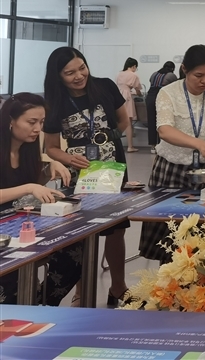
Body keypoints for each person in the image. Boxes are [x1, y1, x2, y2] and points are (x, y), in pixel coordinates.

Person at [43, 47, 131, 307]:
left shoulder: (104, 86)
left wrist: (106, 143)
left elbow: (123, 121)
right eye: (69, 73)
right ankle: (82, 292)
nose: (79, 76)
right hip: (79, 171)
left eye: (82, 68)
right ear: (58, 76)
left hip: (112, 166)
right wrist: (70, 159)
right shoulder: (55, 101)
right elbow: (51, 147)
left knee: (116, 229)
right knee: (82, 232)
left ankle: (118, 287)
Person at [139, 45, 205, 262]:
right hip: (171, 169)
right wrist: (199, 143)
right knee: (169, 238)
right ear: (184, 69)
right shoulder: (168, 93)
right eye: (198, 75)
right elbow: (164, 130)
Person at [0, 93, 82, 306]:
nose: (38, 129)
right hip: (6, 232)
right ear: (10, 121)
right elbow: (24, 187)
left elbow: (29, 182)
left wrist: (48, 168)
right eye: (31, 122)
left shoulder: (27, 149)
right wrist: (29, 187)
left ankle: (41, 304)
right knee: (11, 278)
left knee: (73, 255)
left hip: (20, 223)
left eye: (41, 122)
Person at [146, 62, 177, 148]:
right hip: (160, 96)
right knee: (162, 122)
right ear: (172, 69)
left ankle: (153, 146)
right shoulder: (171, 75)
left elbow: (151, 82)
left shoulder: (154, 74)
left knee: (151, 121)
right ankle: (161, 145)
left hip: (150, 97)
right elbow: (175, 86)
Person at [115, 58, 142, 152]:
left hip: (118, 95)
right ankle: (130, 146)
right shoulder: (133, 75)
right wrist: (139, 94)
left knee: (119, 120)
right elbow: (138, 89)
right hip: (127, 97)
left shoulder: (119, 74)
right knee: (128, 122)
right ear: (134, 66)